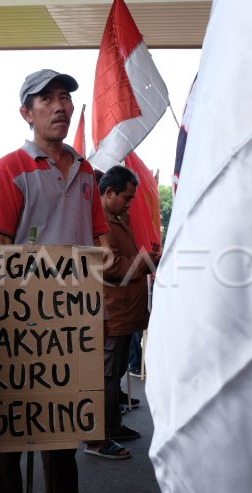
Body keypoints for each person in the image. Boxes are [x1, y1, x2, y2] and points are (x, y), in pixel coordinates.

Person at [0, 69, 114, 493]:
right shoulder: (10, 168)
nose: (60, 106)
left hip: (72, 319)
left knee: (63, 416)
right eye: (47, 99)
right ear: (26, 113)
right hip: (15, 320)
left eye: (65, 98)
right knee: (4, 428)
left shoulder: (87, 171)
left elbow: (99, 237)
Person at [85, 166, 159, 460]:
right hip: (112, 314)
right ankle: (97, 439)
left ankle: (111, 428)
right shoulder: (101, 223)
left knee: (114, 376)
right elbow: (113, 268)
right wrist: (146, 260)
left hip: (124, 312)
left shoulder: (114, 219)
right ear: (109, 193)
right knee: (106, 377)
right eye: (126, 197)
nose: (129, 203)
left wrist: (144, 260)